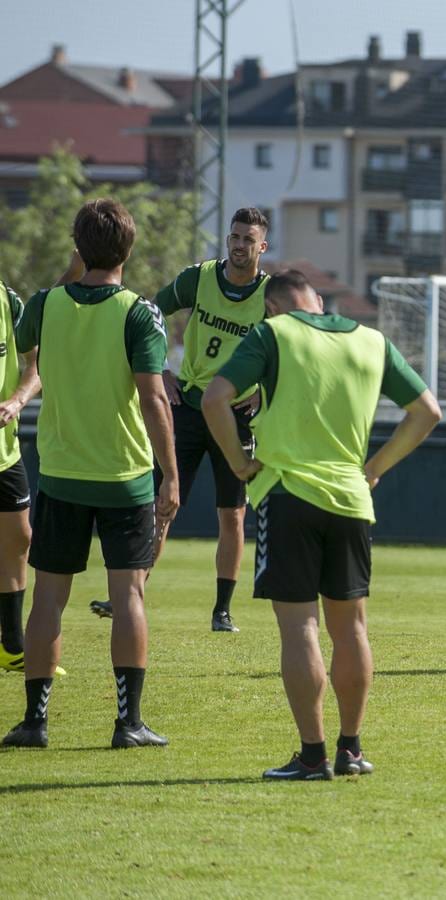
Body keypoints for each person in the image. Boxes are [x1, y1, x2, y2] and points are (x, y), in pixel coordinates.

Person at [202, 269, 440, 780]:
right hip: (352, 500)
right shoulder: (372, 340)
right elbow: (427, 411)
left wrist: (240, 464)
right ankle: (350, 750)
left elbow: (213, 398)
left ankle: (312, 756)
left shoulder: (273, 333)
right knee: (351, 628)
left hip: (289, 496)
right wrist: (374, 469)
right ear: (317, 299)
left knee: (299, 627)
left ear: (273, 307)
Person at [3, 199, 180, 750]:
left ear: (78, 249)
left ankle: (35, 722)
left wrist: (69, 271)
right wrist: (170, 477)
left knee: (49, 598)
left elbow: (31, 333)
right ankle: (128, 723)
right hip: (124, 474)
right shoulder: (139, 312)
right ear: (129, 250)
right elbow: (153, 398)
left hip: (59, 474)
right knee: (127, 596)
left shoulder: (45, 303)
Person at [90, 207, 270, 633]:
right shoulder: (199, 277)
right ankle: (129, 596)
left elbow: (289, 348)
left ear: (262, 246)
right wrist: (162, 372)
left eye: (249, 239)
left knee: (232, 515)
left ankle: (221, 611)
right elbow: (149, 314)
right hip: (188, 406)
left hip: (234, 416)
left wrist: (263, 390)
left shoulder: (270, 294)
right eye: (235, 236)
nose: (240, 245)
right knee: (164, 504)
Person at [0, 274, 42, 674]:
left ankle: (12, 647)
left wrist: (17, 399)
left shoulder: (8, 302)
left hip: (5, 452)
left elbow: (36, 364)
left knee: (19, 540)